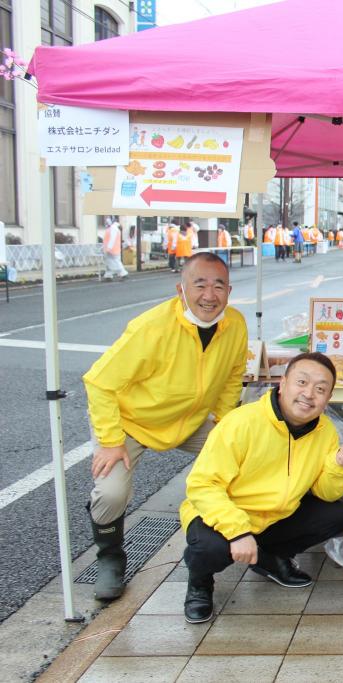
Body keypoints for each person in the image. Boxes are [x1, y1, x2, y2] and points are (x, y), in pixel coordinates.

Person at [83, 253, 248, 601]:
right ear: (180, 289)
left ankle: (244, 535)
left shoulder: (235, 324)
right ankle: (110, 557)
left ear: (229, 291)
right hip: (130, 423)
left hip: (190, 422)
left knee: (246, 457)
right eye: (199, 284)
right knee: (110, 493)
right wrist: (111, 441)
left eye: (218, 285)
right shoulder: (152, 327)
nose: (209, 294)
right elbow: (99, 382)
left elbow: (234, 374)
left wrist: (223, 420)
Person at [180, 352, 343, 623]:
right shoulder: (242, 422)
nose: (309, 394)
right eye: (302, 382)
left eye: (320, 389)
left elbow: (326, 493)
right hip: (222, 515)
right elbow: (203, 485)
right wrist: (238, 531)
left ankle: (271, 559)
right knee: (210, 549)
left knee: (333, 515)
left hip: (274, 516)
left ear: (328, 398)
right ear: (283, 382)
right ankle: (199, 583)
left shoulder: (325, 432)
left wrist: (339, 465)